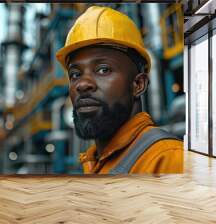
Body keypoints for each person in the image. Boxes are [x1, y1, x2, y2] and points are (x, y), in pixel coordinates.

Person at [56, 6, 183, 174]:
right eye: (75, 74)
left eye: (103, 70)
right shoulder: (93, 163)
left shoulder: (169, 161)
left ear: (138, 85)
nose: (82, 84)